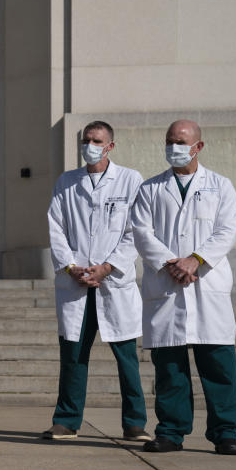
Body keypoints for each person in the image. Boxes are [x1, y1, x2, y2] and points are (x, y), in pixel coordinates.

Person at [131, 119, 236, 456]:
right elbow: (141, 231)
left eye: (181, 142)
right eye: (169, 141)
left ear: (198, 146)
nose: (174, 148)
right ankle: (170, 431)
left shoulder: (221, 186)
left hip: (206, 285)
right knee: (170, 368)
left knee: (219, 366)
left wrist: (194, 260)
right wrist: (173, 264)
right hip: (168, 285)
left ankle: (225, 432)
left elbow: (226, 231)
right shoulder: (150, 189)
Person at [43, 121, 150, 441]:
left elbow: (137, 230)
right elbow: (56, 228)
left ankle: (135, 423)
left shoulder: (130, 180)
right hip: (76, 283)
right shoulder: (66, 182)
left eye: (96, 140)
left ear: (110, 146)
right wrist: (71, 266)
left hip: (113, 282)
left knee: (126, 357)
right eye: (86, 140)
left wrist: (107, 267)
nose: (90, 145)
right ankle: (66, 420)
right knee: (73, 354)